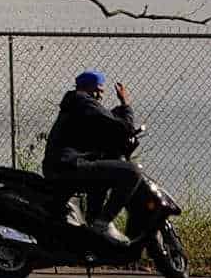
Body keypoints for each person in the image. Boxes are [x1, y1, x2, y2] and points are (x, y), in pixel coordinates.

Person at [43, 68, 147, 238]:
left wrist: (117, 115)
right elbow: (121, 127)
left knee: (102, 171)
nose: (101, 95)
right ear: (89, 87)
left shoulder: (76, 105)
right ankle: (103, 223)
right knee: (132, 172)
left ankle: (93, 223)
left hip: (62, 166)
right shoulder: (83, 101)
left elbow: (105, 121)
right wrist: (125, 105)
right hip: (69, 166)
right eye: (99, 89)